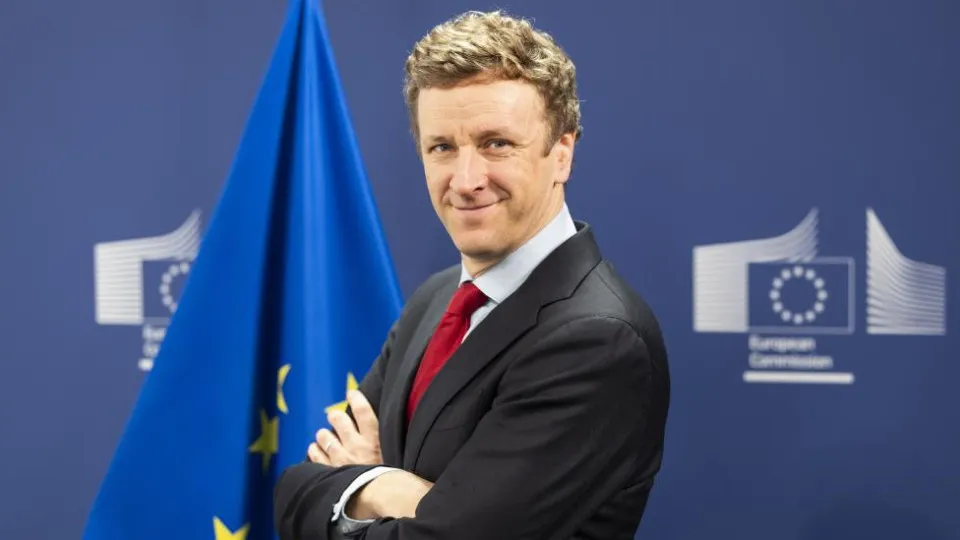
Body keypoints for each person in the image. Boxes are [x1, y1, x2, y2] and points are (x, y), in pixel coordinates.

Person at [274, 10, 670, 540]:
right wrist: (393, 489)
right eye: (442, 147)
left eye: (495, 143)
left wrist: (363, 482)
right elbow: (294, 492)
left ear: (562, 154)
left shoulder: (598, 339)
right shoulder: (437, 299)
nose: (465, 180)